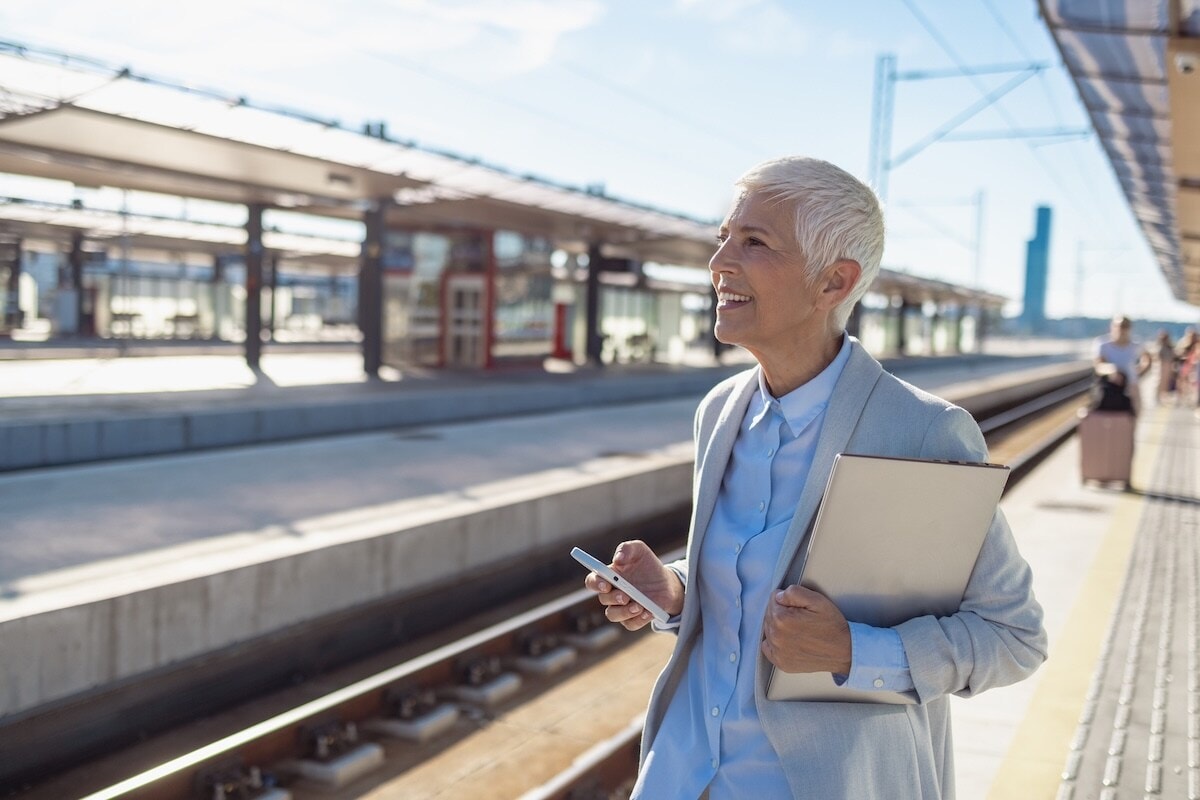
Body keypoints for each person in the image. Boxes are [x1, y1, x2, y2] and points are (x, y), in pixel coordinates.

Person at [583, 156, 1047, 799]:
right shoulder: (719, 412)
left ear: (834, 281)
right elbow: (751, 575)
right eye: (723, 237)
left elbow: (1014, 636)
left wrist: (852, 651)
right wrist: (674, 589)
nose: (720, 261)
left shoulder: (920, 433)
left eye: (753, 242)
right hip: (683, 777)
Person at [1092, 316, 1149, 415]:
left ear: (1129, 329)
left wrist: (1139, 371)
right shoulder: (1102, 344)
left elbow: (1147, 359)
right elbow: (1098, 365)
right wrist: (1112, 371)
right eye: (1118, 326)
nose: (1121, 330)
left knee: (1134, 412)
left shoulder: (1136, 344)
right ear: (1112, 327)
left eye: (1125, 326)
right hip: (1109, 387)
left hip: (1131, 385)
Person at [1154, 329, 1177, 404]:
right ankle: (1158, 397)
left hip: (1168, 365)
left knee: (1166, 382)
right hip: (1161, 366)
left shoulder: (1169, 347)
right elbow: (1157, 357)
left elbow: (1173, 356)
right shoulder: (1159, 347)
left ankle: (1163, 396)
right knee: (1160, 382)